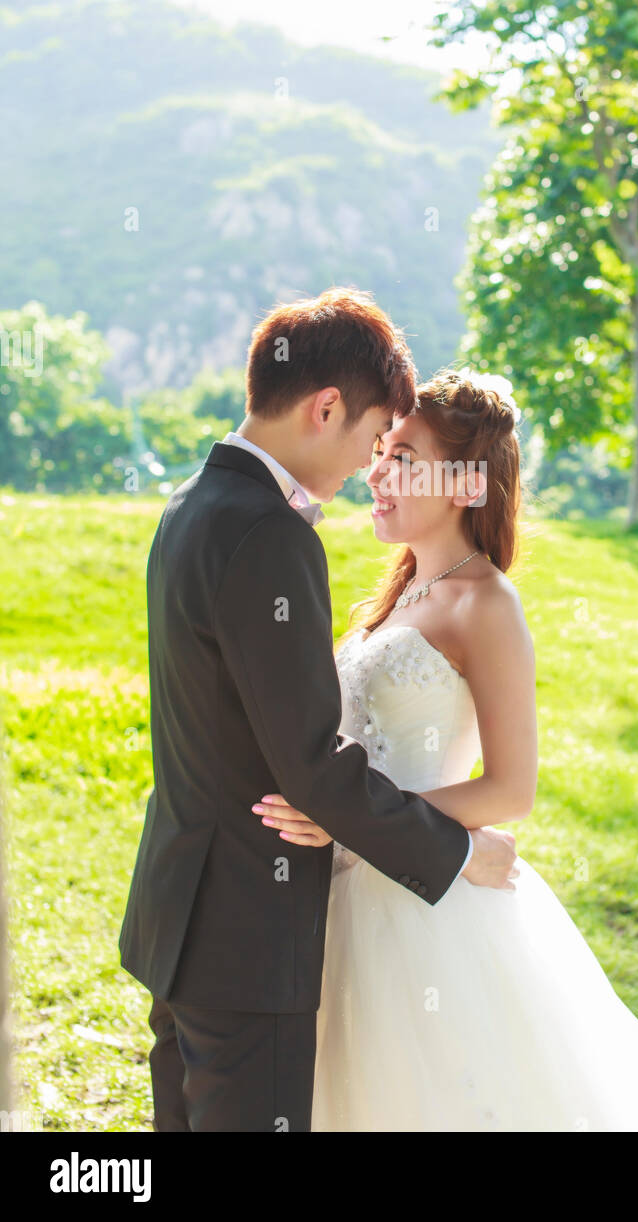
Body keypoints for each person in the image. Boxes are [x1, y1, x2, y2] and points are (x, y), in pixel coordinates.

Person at [255, 369, 638, 1131]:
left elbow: (509, 789)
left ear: (465, 484)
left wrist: (353, 823)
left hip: (426, 905)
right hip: (337, 896)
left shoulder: (487, 603)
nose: (377, 473)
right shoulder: (395, 596)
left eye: (402, 457)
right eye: (381, 450)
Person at [118, 289, 518, 1133]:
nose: (370, 469)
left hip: (186, 915)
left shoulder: (191, 504)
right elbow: (307, 762)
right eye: (376, 442)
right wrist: (455, 851)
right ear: (325, 406)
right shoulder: (270, 535)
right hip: (248, 938)